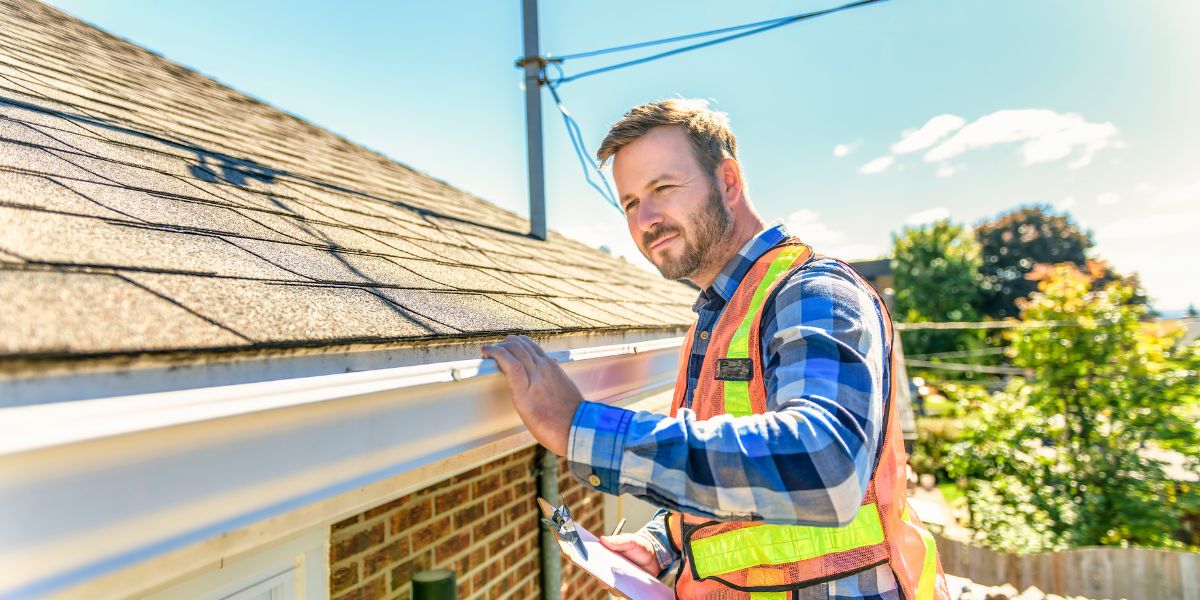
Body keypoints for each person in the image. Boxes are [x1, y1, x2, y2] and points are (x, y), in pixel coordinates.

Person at [482, 99, 948, 600]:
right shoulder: (718, 317)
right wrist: (662, 541)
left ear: (727, 181)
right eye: (631, 202)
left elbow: (825, 465)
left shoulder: (811, 293)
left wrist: (580, 428)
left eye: (663, 188)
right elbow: (737, 482)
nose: (646, 219)